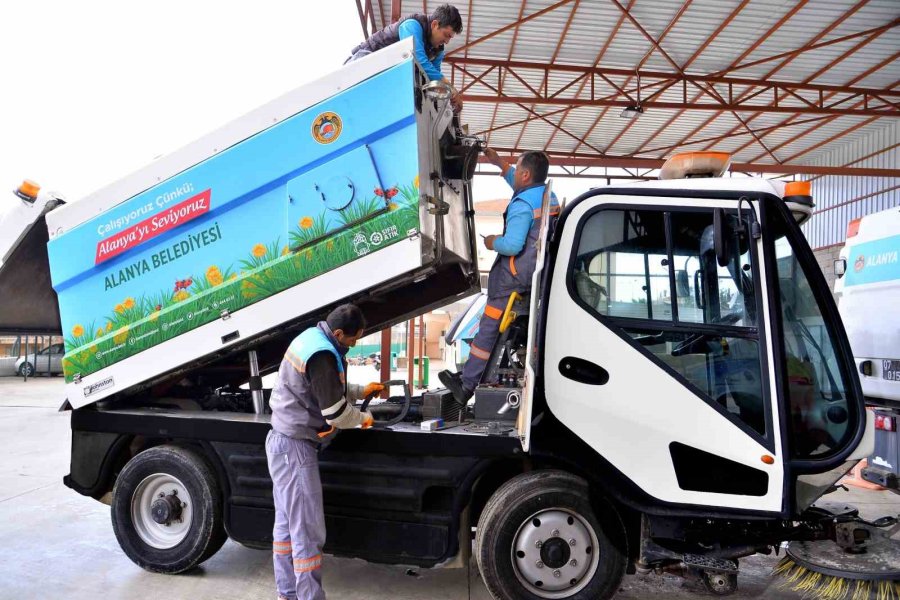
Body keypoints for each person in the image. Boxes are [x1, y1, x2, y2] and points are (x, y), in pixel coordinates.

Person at [266, 303, 383, 600]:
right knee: (306, 532)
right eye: (354, 339)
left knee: (287, 525)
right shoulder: (321, 354)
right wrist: (361, 417)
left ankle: (288, 593)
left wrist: (359, 391)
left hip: (280, 442)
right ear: (340, 333)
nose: (354, 345)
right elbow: (334, 413)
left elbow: (321, 386)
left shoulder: (312, 338)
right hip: (295, 448)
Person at [439, 149, 559, 404]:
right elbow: (516, 179)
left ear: (526, 175)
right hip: (535, 273)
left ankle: (467, 385)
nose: (514, 173)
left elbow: (513, 245)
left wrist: (493, 242)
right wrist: (498, 163)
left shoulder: (522, 205)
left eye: (517, 169)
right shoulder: (547, 195)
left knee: (487, 330)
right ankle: (474, 378)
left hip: (514, 278)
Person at [347, 4, 463, 111]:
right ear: (434, 24)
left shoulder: (438, 51)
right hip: (363, 64)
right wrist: (450, 88)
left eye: (450, 38)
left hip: (387, 80)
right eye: (446, 35)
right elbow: (418, 59)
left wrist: (448, 98)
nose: (447, 41)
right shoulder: (412, 25)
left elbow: (434, 77)